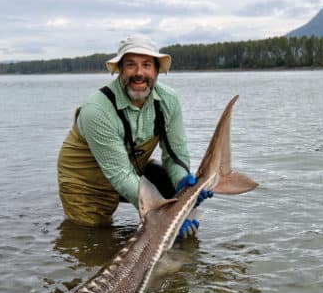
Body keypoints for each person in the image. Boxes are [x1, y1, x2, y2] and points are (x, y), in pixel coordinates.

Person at [56, 34, 211, 237]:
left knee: (171, 188)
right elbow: (120, 175)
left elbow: (176, 154)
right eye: (131, 65)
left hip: (131, 168)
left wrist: (183, 186)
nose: (139, 73)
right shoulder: (97, 109)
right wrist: (163, 218)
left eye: (146, 65)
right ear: (120, 70)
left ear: (156, 70)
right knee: (90, 240)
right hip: (85, 182)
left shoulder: (168, 100)